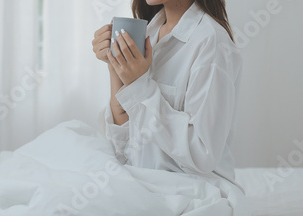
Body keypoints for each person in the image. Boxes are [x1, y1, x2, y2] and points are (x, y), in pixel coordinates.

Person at [92, 0, 243, 192]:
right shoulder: (149, 31)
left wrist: (139, 86)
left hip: (194, 192)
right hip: (144, 183)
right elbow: (122, 148)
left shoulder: (211, 42)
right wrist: (115, 68)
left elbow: (203, 153)